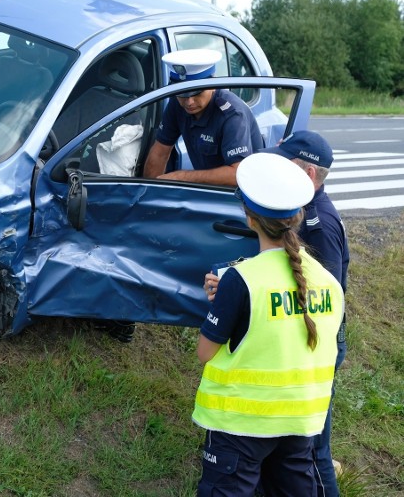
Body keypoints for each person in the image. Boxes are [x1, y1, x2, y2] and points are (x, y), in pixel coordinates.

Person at [205, 129, 349, 496]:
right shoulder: (326, 282)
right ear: (296, 216)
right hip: (299, 413)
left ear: (249, 218)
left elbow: (206, 351)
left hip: (242, 423)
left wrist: (232, 302)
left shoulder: (245, 279)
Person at [143, 49, 263, 186]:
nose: (189, 102)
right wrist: (148, 192)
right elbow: (160, 152)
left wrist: (183, 177)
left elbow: (238, 174)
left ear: (212, 86)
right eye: (182, 94)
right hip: (207, 193)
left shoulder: (232, 114)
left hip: (239, 198)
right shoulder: (177, 103)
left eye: (197, 94)